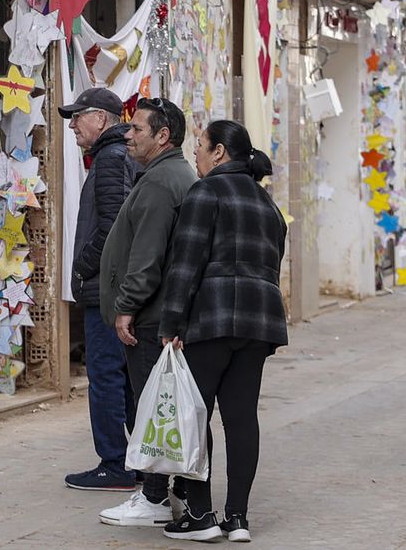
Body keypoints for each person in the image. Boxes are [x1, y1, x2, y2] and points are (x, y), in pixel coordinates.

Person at [159, 120, 287, 543]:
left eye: (200, 145)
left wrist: (171, 323)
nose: (194, 152)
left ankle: (200, 515)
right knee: (241, 417)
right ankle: (238, 518)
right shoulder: (267, 204)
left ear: (218, 152)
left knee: (195, 416)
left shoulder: (206, 192)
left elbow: (185, 264)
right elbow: (271, 263)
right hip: (259, 322)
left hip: (211, 319)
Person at [94, 97, 197, 528]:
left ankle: (154, 497)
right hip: (161, 312)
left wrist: (127, 306)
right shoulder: (169, 174)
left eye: (137, 129)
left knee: (152, 407)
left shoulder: (160, 181)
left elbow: (147, 255)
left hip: (150, 315)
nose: (128, 135)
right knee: (161, 405)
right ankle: (173, 492)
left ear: (162, 136)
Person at [59, 86, 140, 492]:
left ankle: (115, 464)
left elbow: (112, 228)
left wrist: (83, 267)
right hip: (112, 287)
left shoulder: (110, 158)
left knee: (106, 375)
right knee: (121, 377)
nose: (72, 124)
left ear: (101, 119)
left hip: (106, 289)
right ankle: (138, 462)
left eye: (78, 116)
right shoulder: (115, 155)